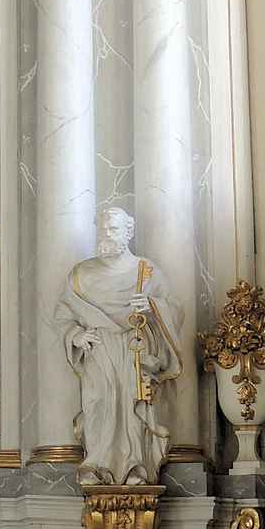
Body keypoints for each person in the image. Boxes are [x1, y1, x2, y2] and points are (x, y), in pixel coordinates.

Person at [54, 207, 182, 484]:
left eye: (113, 228)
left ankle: (135, 466)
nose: (107, 234)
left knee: (132, 405)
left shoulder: (146, 271)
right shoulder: (81, 273)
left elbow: (174, 309)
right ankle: (96, 465)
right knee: (97, 402)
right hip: (98, 348)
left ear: (129, 231)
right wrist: (75, 335)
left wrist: (152, 307)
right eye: (102, 229)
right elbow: (63, 313)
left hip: (134, 349)